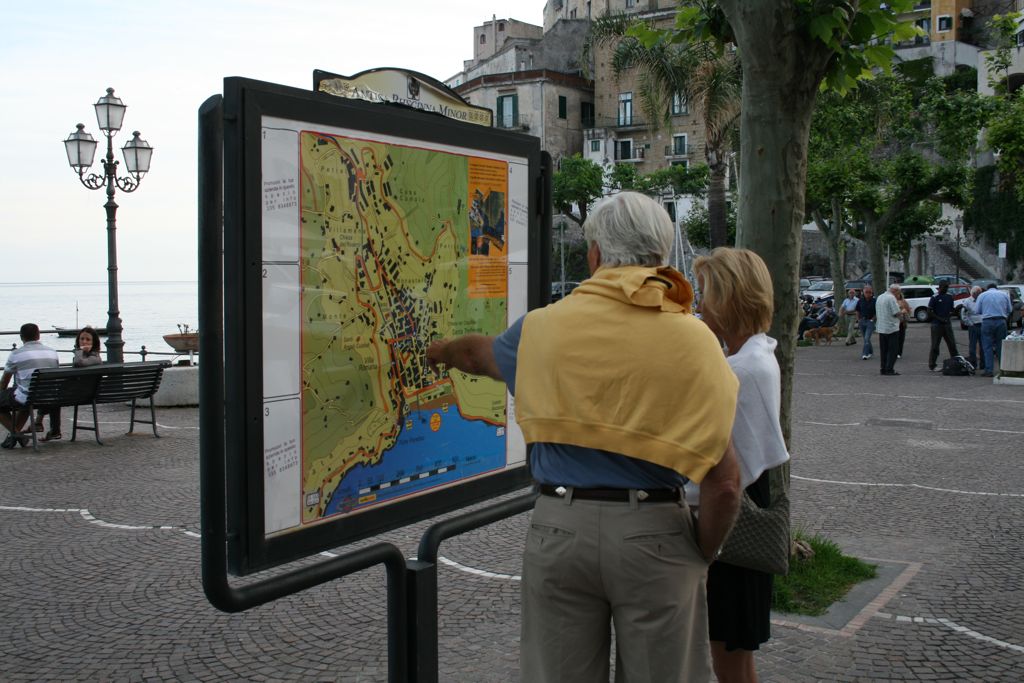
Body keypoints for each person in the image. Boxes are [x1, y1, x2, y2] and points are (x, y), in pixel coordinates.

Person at [426, 191, 742, 683]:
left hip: (560, 527)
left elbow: (475, 356)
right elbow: (725, 484)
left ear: (594, 254)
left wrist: (440, 350)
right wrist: (701, 551)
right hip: (655, 531)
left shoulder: (541, 328)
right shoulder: (695, 340)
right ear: (661, 256)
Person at [690, 248, 791, 683]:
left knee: (728, 656)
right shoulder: (755, 355)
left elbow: (731, 472)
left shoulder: (741, 369)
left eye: (704, 293)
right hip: (746, 512)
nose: (698, 303)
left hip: (733, 522)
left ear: (727, 299)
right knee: (735, 655)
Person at [0, 324, 59, 448]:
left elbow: (4, 382)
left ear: (21, 337)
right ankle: (14, 436)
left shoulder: (16, 354)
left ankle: (16, 434)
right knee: (25, 397)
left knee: (22, 397)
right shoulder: (52, 352)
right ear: (38, 335)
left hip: (29, 397)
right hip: (49, 397)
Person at [42, 327, 104, 442]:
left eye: (88, 339)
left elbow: (78, 363)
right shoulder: (86, 356)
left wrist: (79, 351)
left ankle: (42, 421)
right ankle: (48, 426)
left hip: (84, 394)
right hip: (79, 392)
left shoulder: (95, 358)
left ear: (94, 342)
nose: (84, 342)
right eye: (82, 339)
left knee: (52, 396)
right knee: (52, 395)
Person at [975, 283, 1013, 377]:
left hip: (987, 321)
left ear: (987, 288)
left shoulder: (982, 295)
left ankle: (989, 370)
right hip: (1001, 321)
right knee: (1001, 346)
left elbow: (977, 310)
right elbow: (1010, 309)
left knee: (987, 347)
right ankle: (1003, 369)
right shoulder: (1004, 295)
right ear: (996, 288)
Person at [927, 281, 960, 371]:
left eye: (947, 287)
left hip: (947, 324)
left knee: (952, 344)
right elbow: (929, 311)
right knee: (935, 345)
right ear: (940, 287)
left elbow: (951, 310)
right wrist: (940, 319)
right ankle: (932, 365)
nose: (946, 289)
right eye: (944, 287)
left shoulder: (949, 297)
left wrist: (955, 311)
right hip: (936, 324)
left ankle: (956, 362)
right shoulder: (935, 297)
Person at [875, 284, 902, 375]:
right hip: (891, 327)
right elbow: (896, 312)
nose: (898, 295)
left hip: (881, 327)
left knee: (884, 350)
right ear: (895, 291)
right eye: (898, 293)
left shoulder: (880, 297)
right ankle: (889, 369)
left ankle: (883, 368)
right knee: (893, 350)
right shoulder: (891, 298)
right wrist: (902, 313)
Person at [960, 286, 984, 370]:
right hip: (973, 325)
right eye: (979, 293)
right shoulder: (967, 301)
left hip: (982, 324)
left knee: (983, 345)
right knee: (972, 346)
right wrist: (969, 323)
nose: (980, 294)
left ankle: (983, 364)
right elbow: (963, 314)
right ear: (974, 293)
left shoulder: (981, 300)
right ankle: (973, 363)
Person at [855, 285, 876, 360]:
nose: (868, 294)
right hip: (862, 321)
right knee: (865, 338)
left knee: (867, 338)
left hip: (870, 321)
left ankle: (865, 354)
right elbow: (857, 310)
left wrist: (873, 319)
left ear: (872, 293)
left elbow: (877, 312)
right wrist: (858, 319)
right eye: (866, 292)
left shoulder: (874, 301)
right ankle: (870, 351)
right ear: (863, 292)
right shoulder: (860, 301)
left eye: (869, 292)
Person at [895, 287, 912, 359]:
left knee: (901, 338)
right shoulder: (892, 301)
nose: (897, 295)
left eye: (898, 294)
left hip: (902, 322)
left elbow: (909, 310)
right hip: (894, 322)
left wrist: (906, 313)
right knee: (894, 338)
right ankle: (895, 352)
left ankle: (899, 352)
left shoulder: (904, 301)